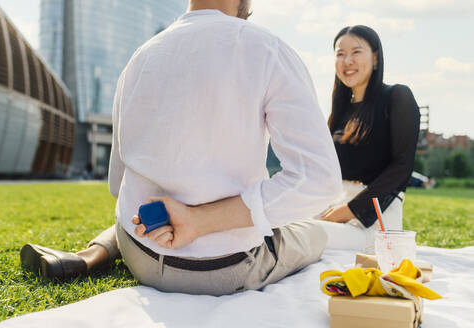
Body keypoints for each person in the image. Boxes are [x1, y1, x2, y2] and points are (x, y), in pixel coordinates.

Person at [20, 0, 342, 296]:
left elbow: (118, 185)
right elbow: (319, 181)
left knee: (136, 213)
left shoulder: (141, 56)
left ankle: (90, 255)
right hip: (221, 269)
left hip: (140, 254)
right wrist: (197, 220)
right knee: (315, 233)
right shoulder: (267, 49)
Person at [316, 25, 420, 251]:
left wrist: (352, 209)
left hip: (374, 215)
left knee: (302, 234)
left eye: (356, 52)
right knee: (280, 225)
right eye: (340, 54)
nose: (347, 61)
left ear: (375, 58)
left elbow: (403, 166)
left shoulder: (397, 96)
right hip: (334, 205)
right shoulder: (339, 112)